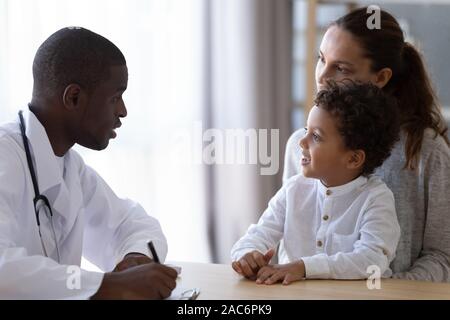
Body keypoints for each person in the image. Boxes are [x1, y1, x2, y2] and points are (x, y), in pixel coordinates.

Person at [0, 27, 177, 299]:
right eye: (115, 97)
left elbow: (133, 223)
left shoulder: (70, 167)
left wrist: (134, 257)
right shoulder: (6, 157)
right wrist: (110, 285)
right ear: (73, 98)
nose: (123, 111)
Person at [283, 7, 450, 282]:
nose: (322, 77)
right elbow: (288, 242)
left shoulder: (426, 153)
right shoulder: (299, 147)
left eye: (340, 68)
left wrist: (384, 291)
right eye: (321, 59)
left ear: (381, 78)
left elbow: (443, 258)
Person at [231, 80, 401, 284]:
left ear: (353, 159)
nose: (302, 142)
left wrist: (303, 267)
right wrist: (248, 254)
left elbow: (372, 261)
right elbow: (259, 234)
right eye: (306, 131)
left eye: (317, 137)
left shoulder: (376, 198)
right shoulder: (294, 189)